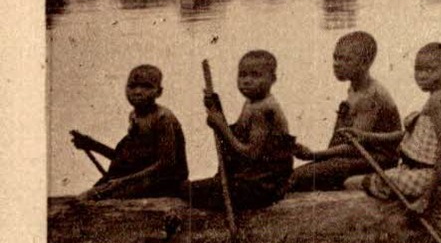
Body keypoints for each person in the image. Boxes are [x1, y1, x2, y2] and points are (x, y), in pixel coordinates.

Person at [343, 43, 441, 216]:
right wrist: (365, 137)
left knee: (351, 183)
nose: (422, 76)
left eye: (430, 70)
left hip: (433, 179)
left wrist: (426, 198)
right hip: (432, 174)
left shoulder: (439, 101)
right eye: (419, 69)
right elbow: (411, 136)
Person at [290, 31, 402, 191]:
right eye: (336, 57)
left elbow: (355, 145)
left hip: (377, 160)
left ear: (364, 63)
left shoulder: (370, 96)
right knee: (303, 173)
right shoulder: (355, 88)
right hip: (360, 155)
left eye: (345, 59)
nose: (337, 63)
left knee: (300, 177)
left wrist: (314, 155)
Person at [190, 50, 295, 211]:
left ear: (272, 79)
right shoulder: (251, 103)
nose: (247, 81)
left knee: (187, 190)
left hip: (263, 187)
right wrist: (217, 108)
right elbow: (238, 136)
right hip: (252, 179)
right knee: (193, 189)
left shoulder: (264, 109)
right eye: (242, 75)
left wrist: (221, 126)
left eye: (255, 76)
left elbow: (250, 154)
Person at [71, 64, 189, 200]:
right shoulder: (134, 116)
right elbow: (125, 159)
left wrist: (122, 182)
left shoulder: (163, 118)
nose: (138, 92)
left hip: (164, 182)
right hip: (141, 178)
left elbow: (166, 165)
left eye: (146, 87)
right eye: (132, 86)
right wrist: (92, 145)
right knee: (85, 197)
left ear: (159, 92)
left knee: (95, 197)